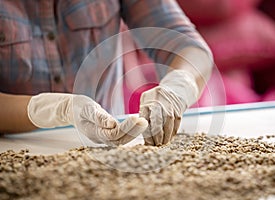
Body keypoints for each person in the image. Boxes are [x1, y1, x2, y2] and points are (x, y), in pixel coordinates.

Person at [0, 0, 213, 146]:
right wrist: (54, 110)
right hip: (13, 147)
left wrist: (177, 87)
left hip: (110, 146)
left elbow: (192, 49)